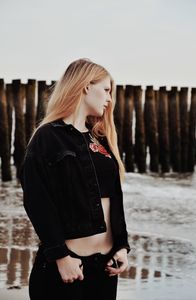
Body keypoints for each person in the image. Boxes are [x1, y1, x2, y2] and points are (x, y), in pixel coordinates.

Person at [19, 58, 131, 300]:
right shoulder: (47, 137)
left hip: (105, 268)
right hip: (68, 267)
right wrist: (60, 256)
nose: (110, 99)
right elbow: (37, 202)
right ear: (86, 86)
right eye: (106, 90)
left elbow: (114, 200)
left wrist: (122, 247)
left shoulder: (100, 141)